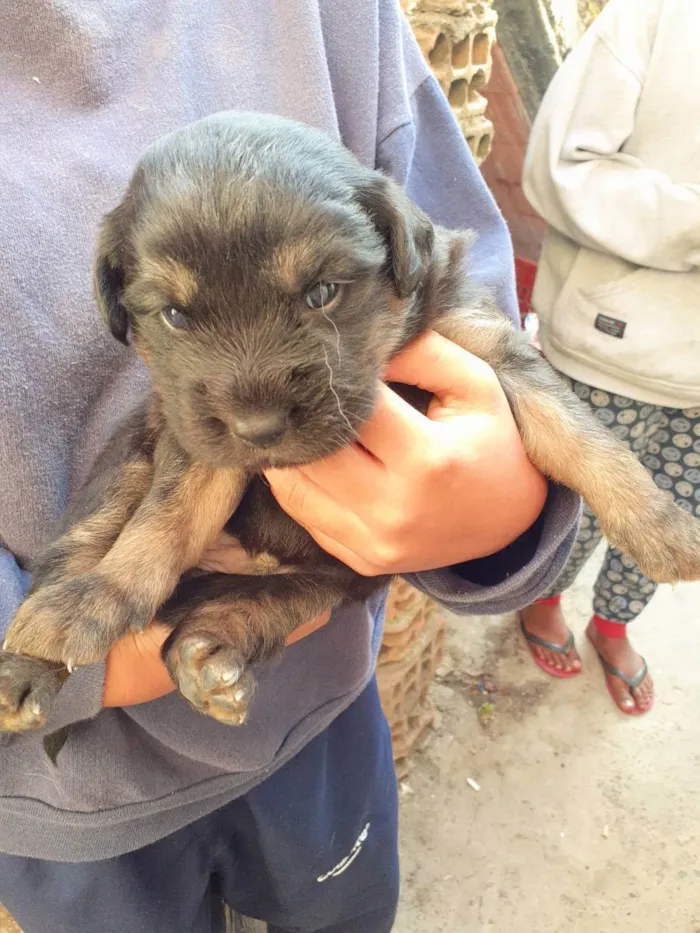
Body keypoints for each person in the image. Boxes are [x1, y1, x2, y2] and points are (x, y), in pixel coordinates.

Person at [0, 2, 579, 931]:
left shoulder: (334, 17)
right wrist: (63, 651)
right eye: (175, 316)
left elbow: (459, 298)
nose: (257, 413)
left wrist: (506, 507)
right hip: (58, 791)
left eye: (316, 293)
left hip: (312, 709)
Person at [520, 0, 700, 716]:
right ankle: (540, 603)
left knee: (681, 516)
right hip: (615, 350)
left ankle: (614, 620)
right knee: (576, 511)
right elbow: (561, 166)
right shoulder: (655, 15)